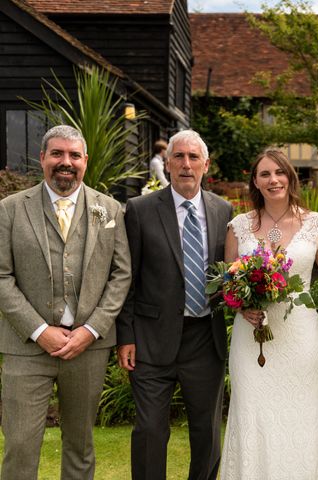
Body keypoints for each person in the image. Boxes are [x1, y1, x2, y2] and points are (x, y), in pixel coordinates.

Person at [0, 125, 131, 479]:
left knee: (81, 445)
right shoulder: (10, 210)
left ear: (85, 161)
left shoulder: (110, 209)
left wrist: (92, 330)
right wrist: (40, 330)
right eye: (57, 154)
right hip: (26, 347)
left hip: (87, 347)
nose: (66, 162)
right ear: (42, 158)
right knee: (20, 445)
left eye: (74, 155)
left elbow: (121, 275)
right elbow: (1, 277)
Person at [116, 129, 233, 479]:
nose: (186, 164)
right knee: (151, 431)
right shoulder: (140, 210)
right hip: (151, 338)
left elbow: (229, 272)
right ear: (167, 164)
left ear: (206, 165)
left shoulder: (223, 210)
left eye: (193, 157)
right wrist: (126, 335)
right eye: (178, 157)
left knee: (207, 433)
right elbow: (127, 278)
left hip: (204, 339)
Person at [219, 149, 318, 479]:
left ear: (290, 177)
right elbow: (228, 284)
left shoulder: (316, 225)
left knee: (300, 419)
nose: (273, 180)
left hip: (300, 338)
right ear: (255, 181)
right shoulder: (238, 227)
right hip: (251, 341)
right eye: (265, 174)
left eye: (279, 173)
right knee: (252, 415)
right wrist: (242, 307)